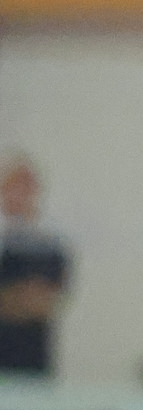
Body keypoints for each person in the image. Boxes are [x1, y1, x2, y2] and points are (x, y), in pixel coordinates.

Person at [0, 154, 71, 378]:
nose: (19, 195)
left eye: (25, 187)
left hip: (34, 355)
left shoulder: (50, 245)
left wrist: (21, 299)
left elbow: (50, 298)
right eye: (13, 187)